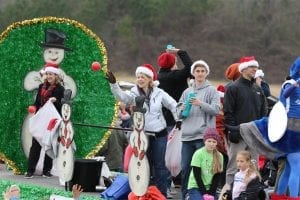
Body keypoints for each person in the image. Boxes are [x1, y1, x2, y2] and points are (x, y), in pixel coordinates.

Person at [106, 63, 180, 198]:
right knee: (144, 164)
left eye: (143, 77)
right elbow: (122, 97)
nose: (140, 79)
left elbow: (173, 105)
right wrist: (114, 84)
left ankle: (162, 193)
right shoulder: (134, 93)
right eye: (138, 77)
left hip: (159, 133)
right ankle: (143, 193)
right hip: (142, 135)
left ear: (150, 79)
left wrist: (178, 119)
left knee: (160, 165)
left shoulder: (159, 92)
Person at [177, 60, 221, 199]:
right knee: (185, 168)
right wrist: (181, 109)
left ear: (206, 73)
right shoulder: (186, 92)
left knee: (203, 170)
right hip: (187, 136)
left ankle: (203, 195)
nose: (200, 73)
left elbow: (216, 110)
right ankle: (186, 196)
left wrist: (200, 103)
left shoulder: (212, 90)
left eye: (203, 71)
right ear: (193, 73)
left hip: (204, 136)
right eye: (197, 71)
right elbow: (178, 113)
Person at [223, 56, 268, 190]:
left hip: (254, 136)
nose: (255, 69)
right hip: (239, 135)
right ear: (243, 69)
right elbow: (228, 112)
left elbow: (263, 110)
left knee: (253, 167)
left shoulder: (257, 89)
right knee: (233, 166)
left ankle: (251, 193)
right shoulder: (233, 88)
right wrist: (233, 131)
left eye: (256, 67)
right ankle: (229, 194)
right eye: (251, 67)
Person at [157, 46, 193, 196]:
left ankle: (166, 186)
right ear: (172, 64)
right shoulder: (175, 76)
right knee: (177, 154)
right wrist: (180, 51)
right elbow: (191, 66)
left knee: (165, 153)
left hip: (163, 119)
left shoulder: (160, 76)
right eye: (175, 61)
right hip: (177, 119)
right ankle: (179, 184)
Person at [25, 67, 65, 178]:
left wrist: (55, 101)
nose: (48, 76)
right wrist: (34, 108)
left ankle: (46, 170)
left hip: (52, 121)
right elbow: (37, 102)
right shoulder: (41, 87)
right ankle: (30, 170)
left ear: (56, 76)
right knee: (36, 144)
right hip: (41, 119)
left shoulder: (60, 89)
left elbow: (63, 106)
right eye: (47, 74)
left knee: (50, 144)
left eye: (51, 74)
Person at [187, 127, 223, 200]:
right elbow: (197, 175)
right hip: (196, 186)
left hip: (210, 187)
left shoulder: (219, 156)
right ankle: (189, 197)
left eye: (214, 142)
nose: (211, 144)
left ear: (217, 143)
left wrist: (211, 192)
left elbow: (217, 176)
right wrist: (204, 193)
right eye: (209, 141)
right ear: (204, 141)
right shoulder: (198, 153)